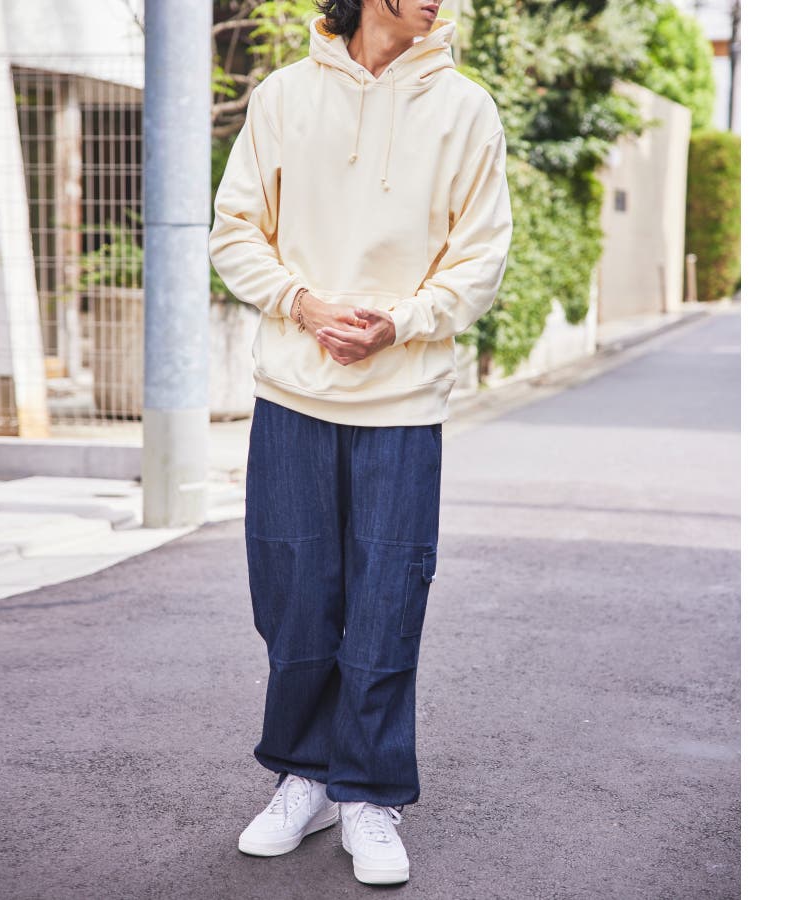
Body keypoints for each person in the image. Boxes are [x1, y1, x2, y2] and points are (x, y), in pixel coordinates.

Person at [208, 0, 512, 886]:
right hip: (292, 392)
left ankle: (370, 794)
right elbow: (235, 230)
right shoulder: (283, 96)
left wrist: (401, 323)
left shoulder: (466, 109)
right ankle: (304, 777)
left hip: (403, 401)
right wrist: (303, 304)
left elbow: (480, 257)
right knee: (295, 596)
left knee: (387, 601)